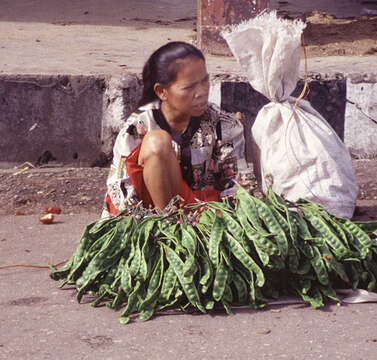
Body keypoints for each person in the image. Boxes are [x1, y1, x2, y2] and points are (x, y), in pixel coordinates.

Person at [102, 41, 253, 217]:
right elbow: (121, 193)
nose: (202, 92)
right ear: (161, 92)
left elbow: (238, 187)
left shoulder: (224, 125)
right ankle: (172, 233)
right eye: (189, 87)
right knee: (157, 143)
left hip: (205, 213)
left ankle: (189, 234)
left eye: (204, 81)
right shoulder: (139, 127)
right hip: (152, 216)